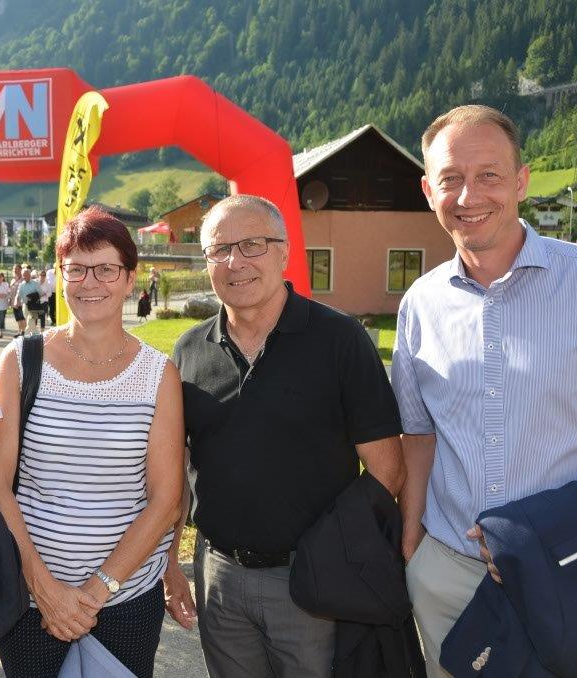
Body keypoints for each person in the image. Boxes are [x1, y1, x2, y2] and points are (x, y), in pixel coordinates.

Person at [392, 105, 577, 678]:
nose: (469, 195)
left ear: (522, 181)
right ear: (428, 191)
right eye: (450, 178)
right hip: (450, 578)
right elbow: (419, 434)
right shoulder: (420, 304)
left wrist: (571, 528)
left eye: (490, 175)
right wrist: (413, 542)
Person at [168, 195, 406, 677]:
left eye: (252, 245)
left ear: (284, 252)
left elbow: (388, 469)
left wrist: (334, 555)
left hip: (311, 582)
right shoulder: (189, 350)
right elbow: (176, 470)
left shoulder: (339, 339)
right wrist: (172, 561)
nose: (235, 262)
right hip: (219, 576)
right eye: (219, 249)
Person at [0, 206, 183, 678]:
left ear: (130, 279)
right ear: (61, 276)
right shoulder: (21, 360)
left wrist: (96, 592)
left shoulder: (158, 374)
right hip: (31, 598)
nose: (90, 282)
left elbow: (166, 500)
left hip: (127, 598)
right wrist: (44, 589)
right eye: (76, 269)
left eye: (106, 269)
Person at [15, 267, 43, 336]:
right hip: (25, 306)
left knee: (30, 321)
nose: (25, 276)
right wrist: (16, 302)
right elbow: (18, 295)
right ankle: (36, 335)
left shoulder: (35, 283)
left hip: (34, 306)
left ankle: (26, 335)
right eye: (23, 275)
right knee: (31, 323)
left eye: (26, 275)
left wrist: (33, 297)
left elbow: (41, 293)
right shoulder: (21, 285)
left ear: (29, 275)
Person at [9, 263, 27, 337]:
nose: (15, 270)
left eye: (17, 269)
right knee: (18, 318)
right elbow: (10, 291)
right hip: (14, 301)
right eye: (14, 269)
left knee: (22, 317)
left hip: (21, 302)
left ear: (20, 270)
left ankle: (24, 331)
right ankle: (20, 331)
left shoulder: (23, 279)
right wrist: (10, 300)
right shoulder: (13, 280)